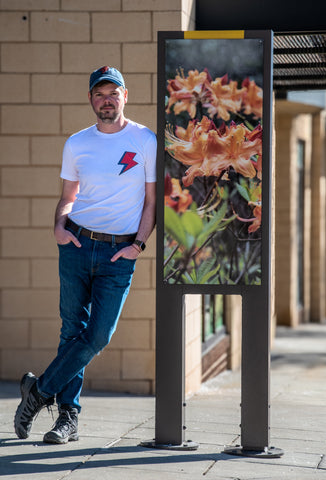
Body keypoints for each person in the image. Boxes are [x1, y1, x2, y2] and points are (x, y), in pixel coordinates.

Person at [14, 66, 157, 444]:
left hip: (119, 253)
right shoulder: (77, 143)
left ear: (125, 96)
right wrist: (58, 227)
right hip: (77, 246)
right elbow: (68, 198)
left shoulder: (145, 140)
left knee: (97, 337)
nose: (106, 100)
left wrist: (137, 246)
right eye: (99, 94)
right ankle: (67, 419)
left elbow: (153, 202)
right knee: (71, 332)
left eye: (114, 93)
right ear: (91, 99)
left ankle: (39, 390)